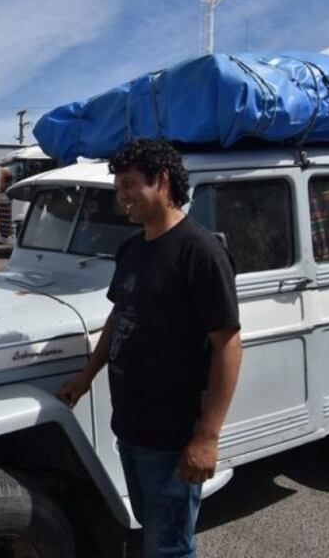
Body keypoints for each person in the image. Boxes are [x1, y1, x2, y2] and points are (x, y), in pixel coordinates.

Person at [59, 139, 242, 558]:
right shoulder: (133, 248)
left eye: (129, 184)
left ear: (161, 180)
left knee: (170, 546)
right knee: (151, 528)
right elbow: (119, 317)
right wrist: (86, 377)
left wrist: (207, 437)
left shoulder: (200, 252)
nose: (121, 196)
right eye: (118, 187)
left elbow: (229, 345)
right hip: (131, 426)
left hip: (173, 435)